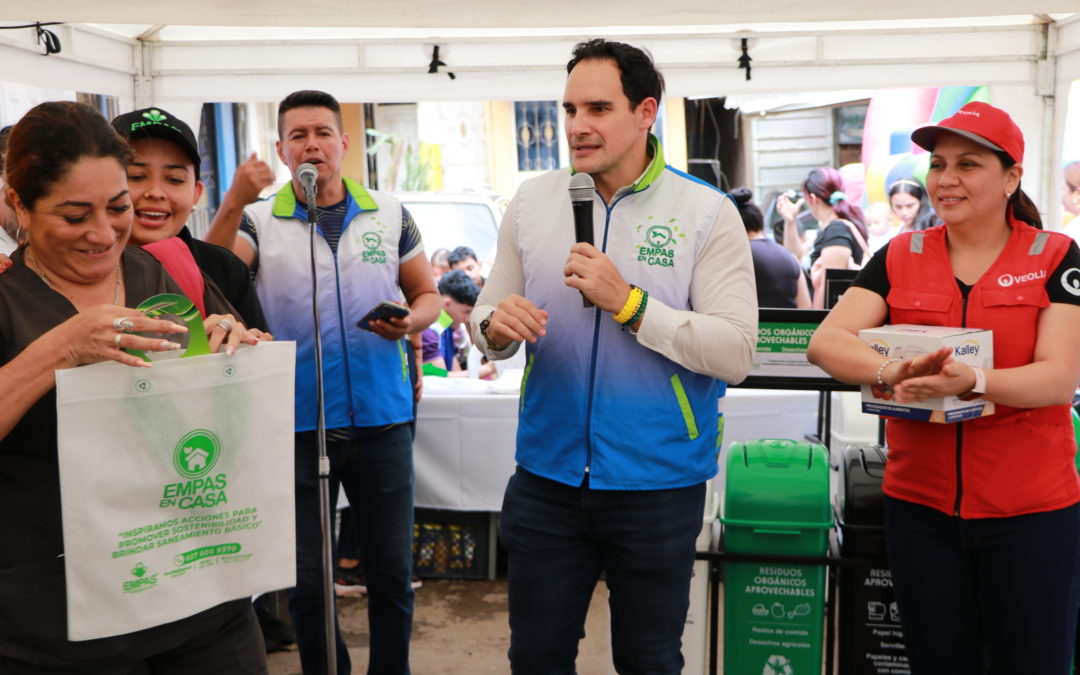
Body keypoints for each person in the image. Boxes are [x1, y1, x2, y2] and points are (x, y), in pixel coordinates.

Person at [470, 39, 756, 673]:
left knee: (648, 660)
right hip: (547, 478)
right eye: (569, 109)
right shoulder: (532, 201)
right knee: (536, 657)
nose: (577, 126)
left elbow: (736, 351)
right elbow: (486, 312)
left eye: (598, 108)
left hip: (659, 482)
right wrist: (496, 328)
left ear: (646, 112)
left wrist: (630, 304)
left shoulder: (705, 213)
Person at [806, 101, 1080, 673]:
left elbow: (1059, 378)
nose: (946, 179)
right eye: (938, 163)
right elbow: (827, 342)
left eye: (969, 164)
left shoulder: (1054, 256)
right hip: (921, 511)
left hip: (1030, 515)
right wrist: (891, 370)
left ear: (1011, 177)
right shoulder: (900, 255)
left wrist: (973, 381)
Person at [0, 101, 266, 673]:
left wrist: (232, 352)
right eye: (74, 216)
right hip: (61, 622)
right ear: (19, 203)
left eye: (118, 208)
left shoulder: (152, 272)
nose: (103, 234)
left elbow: (214, 415)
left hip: (199, 597)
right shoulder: (6, 298)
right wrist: (61, 347)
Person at [204, 89, 440, 675]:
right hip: (294, 424)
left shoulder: (390, 212)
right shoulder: (259, 220)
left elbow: (427, 295)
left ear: (344, 142)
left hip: (382, 421)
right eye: (298, 136)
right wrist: (234, 198)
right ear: (283, 150)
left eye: (323, 133)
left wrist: (411, 322)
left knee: (390, 575)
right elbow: (207, 274)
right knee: (308, 582)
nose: (313, 144)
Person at [110, 107, 269, 332]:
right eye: (136, 176)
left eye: (174, 179)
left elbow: (262, 356)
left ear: (196, 193)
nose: (156, 192)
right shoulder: (84, 269)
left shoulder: (225, 269)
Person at [778, 167, 869, 307]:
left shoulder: (836, 230)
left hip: (831, 319)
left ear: (812, 198)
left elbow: (829, 289)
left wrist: (818, 324)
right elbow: (793, 258)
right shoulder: (828, 229)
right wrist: (790, 222)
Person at [732, 186, 810, 308]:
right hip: (789, 326)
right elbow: (806, 307)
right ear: (760, 223)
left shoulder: (734, 257)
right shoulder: (790, 257)